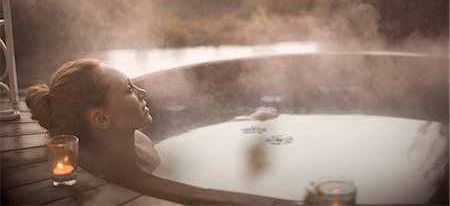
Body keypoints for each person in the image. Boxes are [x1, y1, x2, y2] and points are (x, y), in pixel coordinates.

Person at [26, 58, 295, 205]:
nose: (143, 92)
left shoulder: (139, 140)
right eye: (130, 90)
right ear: (102, 118)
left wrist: (244, 119)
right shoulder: (109, 170)